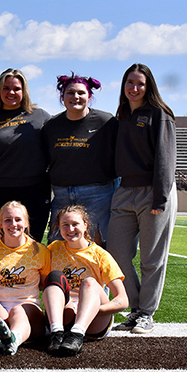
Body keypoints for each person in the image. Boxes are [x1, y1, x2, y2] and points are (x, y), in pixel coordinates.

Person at [106, 63, 177, 334]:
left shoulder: (160, 114)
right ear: (123, 86)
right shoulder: (122, 115)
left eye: (140, 84)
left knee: (152, 258)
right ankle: (134, 307)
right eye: (130, 83)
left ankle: (146, 313)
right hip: (124, 191)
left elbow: (165, 159)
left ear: (149, 87)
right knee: (117, 254)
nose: (134, 88)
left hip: (153, 192)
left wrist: (159, 200)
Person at [42, 73, 118, 244]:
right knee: (58, 246)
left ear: (89, 96)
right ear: (62, 97)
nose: (76, 97)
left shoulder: (106, 122)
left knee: (94, 246)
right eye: (70, 92)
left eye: (81, 93)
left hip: (97, 194)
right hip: (61, 195)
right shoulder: (52, 125)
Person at [0, 68, 52, 241]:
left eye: (16, 89)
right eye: (6, 88)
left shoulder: (40, 116)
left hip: (33, 191)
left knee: (31, 245)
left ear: (24, 91)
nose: (11, 92)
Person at [44, 205, 128, 356]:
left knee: (89, 282)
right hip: (65, 316)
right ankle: (56, 334)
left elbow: (122, 300)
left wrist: (91, 310)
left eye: (75, 224)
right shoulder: (53, 248)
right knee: (55, 276)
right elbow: (24, 251)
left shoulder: (100, 255)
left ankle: (77, 333)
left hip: (94, 321)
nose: (70, 229)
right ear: (59, 228)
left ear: (85, 225)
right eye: (65, 225)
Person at [0, 201, 51, 355]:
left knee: (17, 311)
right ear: (0, 225)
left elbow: (44, 285)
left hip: (28, 313)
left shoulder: (40, 251)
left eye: (18, 219)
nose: (13, 224)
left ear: (26, 223)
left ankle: (13, 339)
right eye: (7, 220)